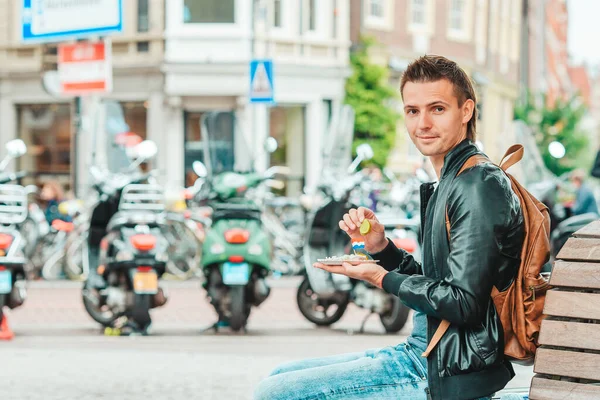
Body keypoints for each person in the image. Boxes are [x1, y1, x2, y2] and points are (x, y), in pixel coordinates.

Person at [254, 55, 525, 400]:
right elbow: (439, 283)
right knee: (281, 375)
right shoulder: (451, 180)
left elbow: (463, 303)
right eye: (412, 111)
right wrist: (382, 249)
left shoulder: (476, 185)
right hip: (425, 352)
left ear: (466, 110)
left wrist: (379, 277)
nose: (422, 123)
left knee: (274, 392)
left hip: (444, 373)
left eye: (437, 109)